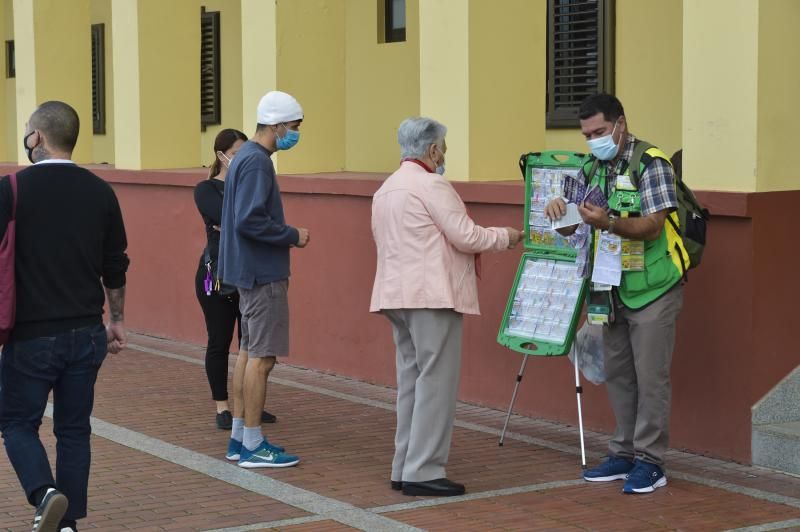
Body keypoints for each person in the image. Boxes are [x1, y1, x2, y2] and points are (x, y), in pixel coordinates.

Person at [370, 117, 523, 497]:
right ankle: (423, 470)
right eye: (444, 148)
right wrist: (507, 236)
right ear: (432, 150)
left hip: (396, 294)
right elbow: (466, 235)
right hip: (431, 296)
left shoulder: (387, 188)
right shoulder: (432, 184)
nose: (445, 155)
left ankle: (404, 464)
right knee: (435, 384)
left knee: (412, 382)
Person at [545, 93, 685, 494]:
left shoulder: (651, 162)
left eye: (600, 131)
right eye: (587, 134)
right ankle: (623, 453)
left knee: (651, 378)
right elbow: (574, 229)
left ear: (621, 124)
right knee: (620, 375)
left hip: (653, 288)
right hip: (609, 288)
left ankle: (651, 461)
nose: (593, 140)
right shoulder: (588, 167)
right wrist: (561, 214)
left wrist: (608, 223)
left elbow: (654, 225)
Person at [0, 101, 129, 531]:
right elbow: (116, 265)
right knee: (74, 431)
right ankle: (68, 524)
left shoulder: (11, 189)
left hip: (31, 335)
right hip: (86, 332)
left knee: (18, 422)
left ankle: (44, 493)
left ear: (36, 136)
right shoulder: (101, 191)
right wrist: (116, 320)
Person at [218, 91, 310, 468]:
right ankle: (254, 444)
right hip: (262, 273)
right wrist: (292, 235)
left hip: (246, 271)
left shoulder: (245, 159)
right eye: (294, 128)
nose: (296, 134)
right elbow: (250, 220)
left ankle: (241, 436)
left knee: (247, 354)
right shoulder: (258, 164)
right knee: (262, 359)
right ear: (277, 125)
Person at [194, 128, 277, 430]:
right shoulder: (206, 190)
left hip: (247, 274)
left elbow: (253, 221)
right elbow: (239, 221)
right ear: (221, 156)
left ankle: (250, 405)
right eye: (237, 153)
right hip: (214, 278)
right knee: (219, 341)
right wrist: (242, 223)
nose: (244, 159)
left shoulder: (246, 185)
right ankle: (222, 407)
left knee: (250, 343)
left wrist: (241, 223)